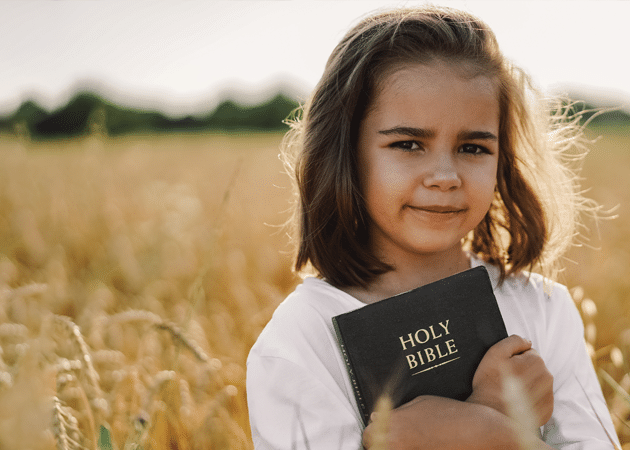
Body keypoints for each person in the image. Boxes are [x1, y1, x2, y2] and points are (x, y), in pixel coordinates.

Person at [246, 5, 619, 450]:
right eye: (408, 144)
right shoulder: (302, 338)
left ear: (503, 160)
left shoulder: (543, 310)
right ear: (345, 151)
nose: (445, 175)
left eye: (473, 147)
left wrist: (486, 432)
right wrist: (489, 422)